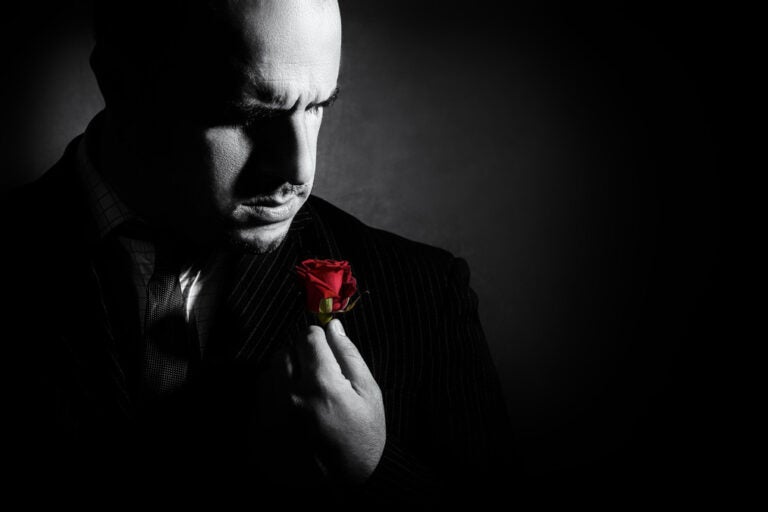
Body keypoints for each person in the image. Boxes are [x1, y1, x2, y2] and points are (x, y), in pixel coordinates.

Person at [2, 0, 510, 506]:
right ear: (121, 85)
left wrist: (372, 467)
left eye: (317, 106)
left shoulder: (424, 295)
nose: (300, 169)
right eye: (250, 114)